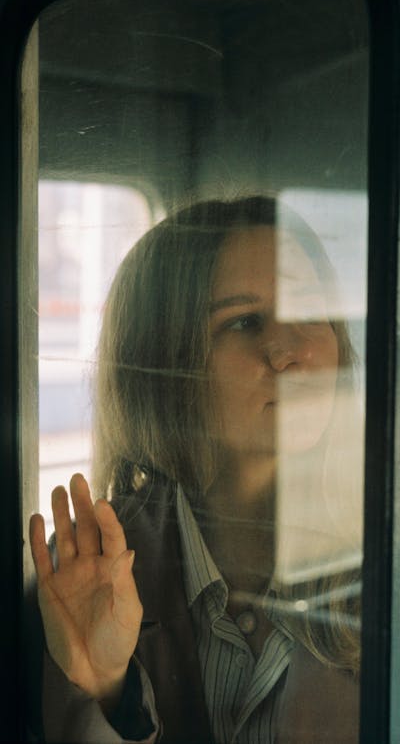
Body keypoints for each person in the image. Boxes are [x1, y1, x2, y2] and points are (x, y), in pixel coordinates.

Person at [28, 196, 363, 743]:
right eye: (244, 322)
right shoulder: (91, 580)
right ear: (165, 367)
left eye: (309, 312)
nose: (288, 352)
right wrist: (104, 691)